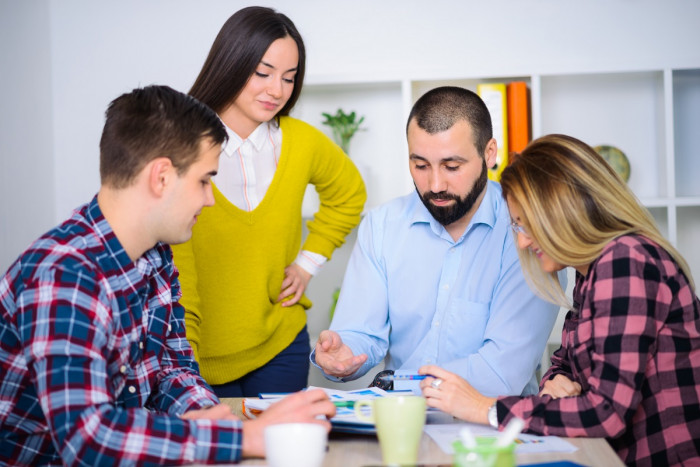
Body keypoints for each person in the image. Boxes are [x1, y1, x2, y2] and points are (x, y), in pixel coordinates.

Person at [0, 85, 335, 466]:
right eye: (204, 180)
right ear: (160, 177)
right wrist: (240, 437)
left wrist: (210, 416)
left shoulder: (156, 256)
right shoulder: (64, 276)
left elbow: (170, 370)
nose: (210, 199)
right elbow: (88, 438)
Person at [418, 134, 700, 466]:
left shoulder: (625, 261)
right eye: (517, 226)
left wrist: (482, 407)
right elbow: (566, 362)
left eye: (527, 225)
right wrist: (555, 382)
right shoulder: (592, 270)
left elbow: (606, 412)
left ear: (562, 212)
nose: (522, 243)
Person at [312, 86, 561, 397]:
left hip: (492, 429)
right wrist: (343, 353)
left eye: (452, 167)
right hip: (404, 422)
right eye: (420, 165)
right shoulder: (382, 225)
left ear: (489, 153)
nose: (435, 185)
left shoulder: (526, 233)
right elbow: (360, 333)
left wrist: (398, 383)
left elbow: (501, 373)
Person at [171, 6, 366, 397]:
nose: (276, 90)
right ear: (230, 63)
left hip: (282, 344)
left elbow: (350, 193)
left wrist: (308, 264)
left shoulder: (300, 141)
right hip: (196, 357)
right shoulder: (179, 145)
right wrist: (182, 365)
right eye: (262, 73)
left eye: (289, 78)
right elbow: (179, 274)